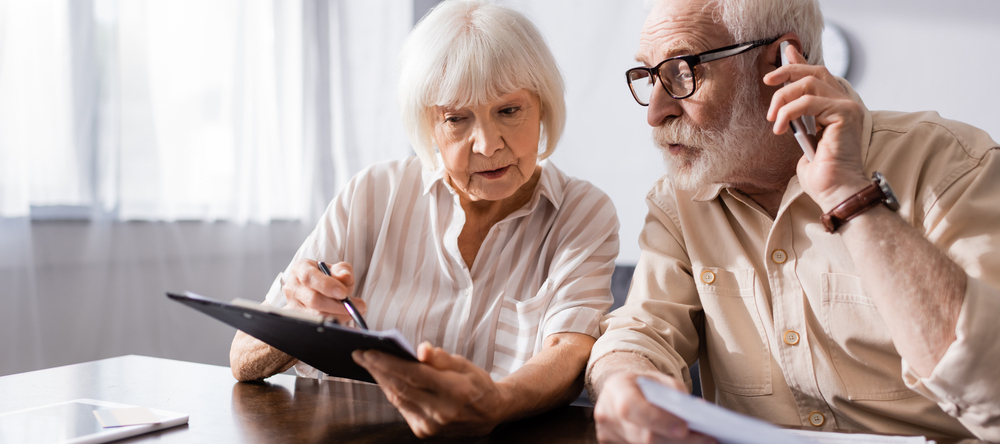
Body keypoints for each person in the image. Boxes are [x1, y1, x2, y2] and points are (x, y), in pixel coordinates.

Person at [586, 0, 1000, 442]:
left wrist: (851, 196)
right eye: (650, 78)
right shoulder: (679, 201)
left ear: (781, 63)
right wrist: (621, 380)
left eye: (682, 73)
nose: (655, 112)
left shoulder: (953, 165)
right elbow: (640, 331)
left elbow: (991, 389)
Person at [228, 0, 620, 438]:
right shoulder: (373, 192)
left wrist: (494, 402)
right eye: (457, 118)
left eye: (509, 111)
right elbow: (243, 360)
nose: (488, 145)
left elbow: (568, 354)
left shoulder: (583, 212)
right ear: (427, 125)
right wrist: (301, 316)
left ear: (543, 107)